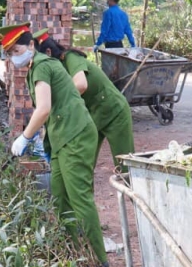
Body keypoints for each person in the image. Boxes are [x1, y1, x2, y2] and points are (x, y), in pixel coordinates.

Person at [0, 24, 109, 267]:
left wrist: (24, 136)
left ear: (31, 45)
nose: (15, 56)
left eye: (17, 49)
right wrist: (36, 135)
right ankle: (75, 251)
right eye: (10, 52)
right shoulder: (39, 66)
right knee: (60, 195)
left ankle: (99, 262)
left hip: (75, 136)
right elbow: (48, 109)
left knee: (79, 198)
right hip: (62, 136)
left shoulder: (42, 66)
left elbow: (43, 108)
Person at [33, 29, 135, 169]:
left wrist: (60, 105)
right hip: (93, 117)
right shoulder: (52, 69)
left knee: (125, 162)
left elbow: (81, 85)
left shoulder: (70, 58)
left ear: (49, 52)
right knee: (83, 165)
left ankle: (130, 189)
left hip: (115, 111)